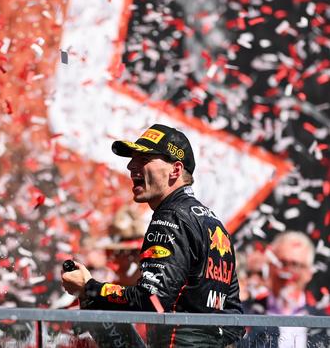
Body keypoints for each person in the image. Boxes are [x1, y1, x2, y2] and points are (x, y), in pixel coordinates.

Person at [62, 123, 244, 347]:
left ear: (175, 170)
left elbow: (152, 300)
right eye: (132, 159)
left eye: (144, 159)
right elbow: (235, 319)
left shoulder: (169, 217)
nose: (130, 166)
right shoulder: (214, 224)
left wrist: (90, 287)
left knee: (94, 300)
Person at [239, 231, 329, 347]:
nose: (288, 272)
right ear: (270, 266)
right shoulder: (243, 314)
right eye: (282, 263)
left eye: (296, 265)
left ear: (309, 273)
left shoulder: (324, 324)